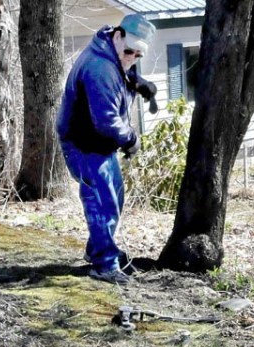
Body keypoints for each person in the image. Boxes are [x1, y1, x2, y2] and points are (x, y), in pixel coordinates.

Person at [57, 13, 157, 284]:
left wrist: (137, 82)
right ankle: (104, 265)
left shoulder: (111, 53)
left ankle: (98, 248)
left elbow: (122, 71)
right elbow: (107, 121)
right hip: (83, 143)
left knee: (115, 197)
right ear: (118, 35)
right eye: (129, 51)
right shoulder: (99, 67)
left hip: (99, 144)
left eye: (137, 55)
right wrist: (132, 139)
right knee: (102, 201)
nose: (131, 58)